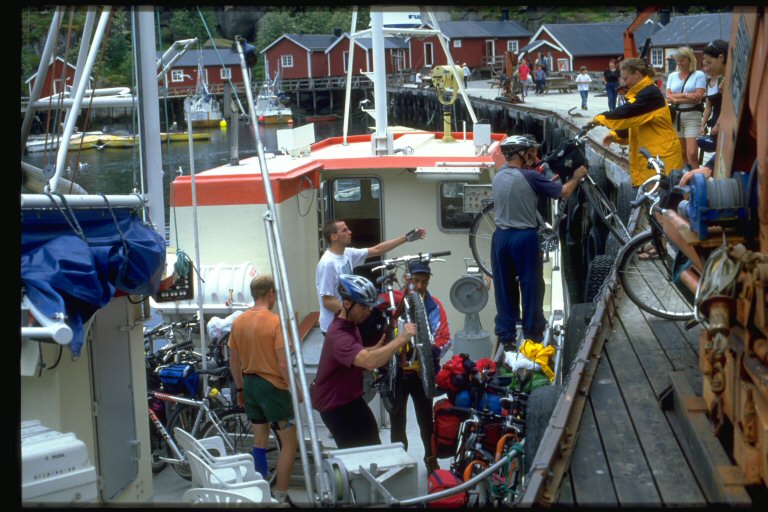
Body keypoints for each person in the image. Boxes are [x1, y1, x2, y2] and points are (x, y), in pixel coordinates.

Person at [491, 135, 587, 349]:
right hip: (523, 237)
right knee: (531, 284)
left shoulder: (498, 176)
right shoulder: (530, 177)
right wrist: (578, 176)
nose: (532, 155)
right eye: (529, 151)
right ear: (520, 154)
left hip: (500, 237)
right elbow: (564, 192)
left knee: (504, 286)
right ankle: (533, 333)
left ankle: (506, 336)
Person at [311, 274, 417, 449]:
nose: (368, 311)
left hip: (350, 399)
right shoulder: (338, 335)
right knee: (360, 456)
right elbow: (367, 362)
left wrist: (378, 348)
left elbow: (358, 353)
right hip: (334, 406)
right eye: (363, 306)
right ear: (347, 303)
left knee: (373, 444)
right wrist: (401, 339)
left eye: (370, 306)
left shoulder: (351, 325)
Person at [228, 274, 300, 504]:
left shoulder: (238, 321)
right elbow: (282, 362)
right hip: (272, 388)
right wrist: (295, 387)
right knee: (289, 443)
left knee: (259, 441)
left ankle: (261, 492)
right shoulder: (274, 321)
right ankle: (280, 495)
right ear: (271, 294)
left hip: (250, 384)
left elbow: (233, 360)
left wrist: (240, 389)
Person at [388, 260, 451, 474]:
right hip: (397, 373)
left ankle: (430, 458)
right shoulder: (394, 302)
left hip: (422, 372)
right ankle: (399, 460)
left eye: (424, 281)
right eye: (416, 281)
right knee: (397, 422)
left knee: (426, 421)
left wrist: (428, 353)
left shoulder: (435, 306)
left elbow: (445, 337)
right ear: (407, 279)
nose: (420, 285)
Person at [315, 219, 426, 334]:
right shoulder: (327, 263)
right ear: (334, 237)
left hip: (348, 321)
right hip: (334, 327)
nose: (350, 232)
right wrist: (355, 313)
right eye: (345, 230)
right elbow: (328, 302)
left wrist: (406, 238)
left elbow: (377, 250)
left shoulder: (346, 253)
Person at [592, 58, 684, 187]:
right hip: (651, 157)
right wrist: (615, 135)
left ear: (637, 73)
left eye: (626, 79)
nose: (624, 83)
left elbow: (625, 115)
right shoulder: (642, 94)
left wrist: (598, 119)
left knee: (665, 201)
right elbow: (635, 123)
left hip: (662, 158)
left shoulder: (650, 94)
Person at [665, 46, 707, 170]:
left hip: (692, 115)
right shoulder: (672, 76)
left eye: (682, 60)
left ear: (690, 60)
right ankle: (686, 176)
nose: (679, 64)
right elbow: (668, 96)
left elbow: (698, 97)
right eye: (677, 61)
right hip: (676, 117)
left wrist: (678, 98)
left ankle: (697, 178)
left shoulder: (698, 75)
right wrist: (688, 96)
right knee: (682, 153)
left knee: (692, 153)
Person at [699, 39, 729, 138]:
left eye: (709, 62)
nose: (708, 66)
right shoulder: (725, 80)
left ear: (721, 57)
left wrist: (718, 124)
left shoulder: (728, 81)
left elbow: (727, 107)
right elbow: (708, 107)